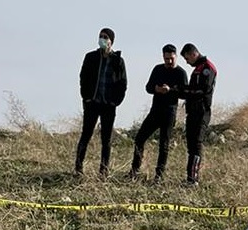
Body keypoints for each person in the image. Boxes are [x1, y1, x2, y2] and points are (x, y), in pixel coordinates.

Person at [130, 44, 188, 181]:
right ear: (163, 56)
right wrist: (156, 89)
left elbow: (185, 93)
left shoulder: (181, 73)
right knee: (139, 138)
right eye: (166, 58)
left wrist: (171, 90)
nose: (168, 61)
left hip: (170, 112)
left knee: (164, 145)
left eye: (171, 59)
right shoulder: (158, 69)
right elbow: (148, 87)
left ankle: (159, 176)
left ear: (176, 57)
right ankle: (134, 170)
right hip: (155, 110)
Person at [75, 27, 127, 176]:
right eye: (100, 36)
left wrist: (115, 101)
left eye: (105, 37)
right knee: (86, 135)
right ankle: (78, 168)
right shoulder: (90, 57)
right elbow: (83, 78)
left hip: (108, 105)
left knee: (106, 139)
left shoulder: (118, 61)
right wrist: (86, 97)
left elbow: (123, 83)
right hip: (92, 103)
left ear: (111, 41)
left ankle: (103, 171)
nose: (102, 39)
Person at [170, 43, 217, 185]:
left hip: (202, 112)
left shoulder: (207, 68)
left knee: (196, 144)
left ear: (193, 54)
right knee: (191, 145)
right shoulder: (198, 68)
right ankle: (190, 178)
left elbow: (202, 91)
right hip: (192, 112)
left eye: (187, 58)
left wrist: (182, 92)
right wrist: (178, 90)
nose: (186, 62)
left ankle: (193, 179)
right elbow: (191, 89)